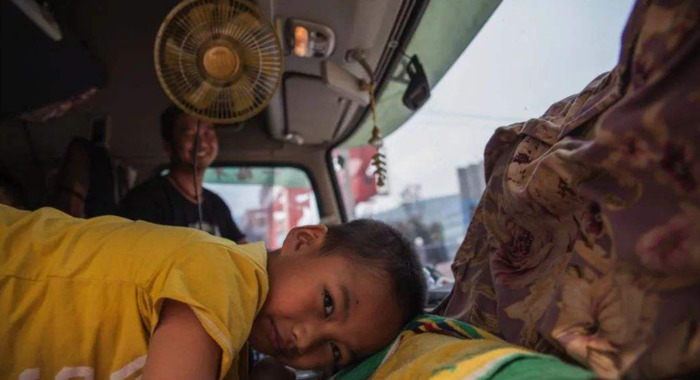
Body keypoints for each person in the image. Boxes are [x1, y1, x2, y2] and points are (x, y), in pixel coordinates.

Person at [0, 204, 426, 379]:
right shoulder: (228, 272)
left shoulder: (233, 341)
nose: (307, 339)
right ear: (303, 239)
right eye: (327, 303)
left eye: (335, 353)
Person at [119, 105, 246, 243]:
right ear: (168, 146)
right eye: (190, 135)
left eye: (208, 134)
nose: (202, 143)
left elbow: (244, 252)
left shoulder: (216, 204)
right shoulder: (145, 200)